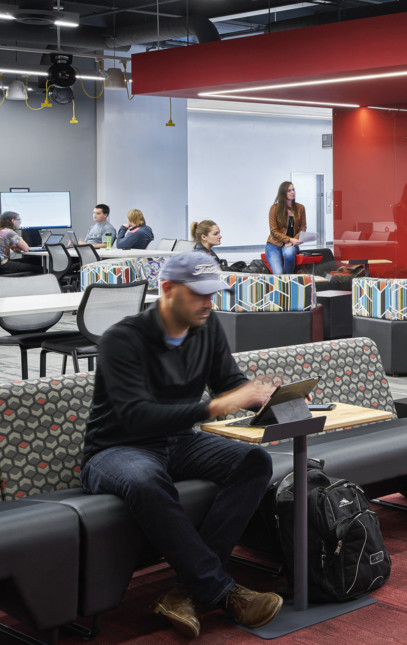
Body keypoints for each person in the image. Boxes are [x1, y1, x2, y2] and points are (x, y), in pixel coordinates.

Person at [81, 252, 284, 637]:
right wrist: (214, 406)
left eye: (213, 294)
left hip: (179, 442)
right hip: (116, 449)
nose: (209, 303)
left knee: (253, 462)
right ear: (168, 289)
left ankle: (186, 592)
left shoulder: (206, 328)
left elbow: (229, 382)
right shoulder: (121, 339)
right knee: (144, 480)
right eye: (199, 294)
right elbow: (134, 415)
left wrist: (267, 396)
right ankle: (220, 590)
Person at [266, 181, 307, 274]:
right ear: (283, 193)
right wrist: (289, 240)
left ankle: (288, 279)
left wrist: (294, 240)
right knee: (279, 274)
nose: (292, 192)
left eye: (293, 189)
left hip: (291, 243)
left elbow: (303, 227)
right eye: (289, 190)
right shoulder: (274, 208)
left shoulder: (300, 208)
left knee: (289, 254)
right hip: (274, 244)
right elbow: (274, 231)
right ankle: (283, 281)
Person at [0, 211, 44, 275]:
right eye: (19, 220)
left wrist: (15, 246)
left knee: (35, 260)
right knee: (41, 269)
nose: (20, 222)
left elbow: (14, 248)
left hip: (2, 264)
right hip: (3, 265)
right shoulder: (9, 232)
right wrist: (19, 238)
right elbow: (26, 248)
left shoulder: (2, 231)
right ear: (13, 220)